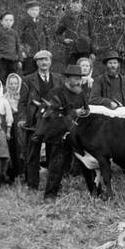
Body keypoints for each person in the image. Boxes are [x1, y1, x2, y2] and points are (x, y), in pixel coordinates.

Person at [42, 64, 93, 201]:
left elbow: (87, 110)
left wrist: (85, 113)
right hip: (59, 135)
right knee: (56, 165)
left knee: (86, 163)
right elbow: (51, 116)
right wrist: (72, 113)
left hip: (77, 136)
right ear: (67, 79)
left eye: (80, 78)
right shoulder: (55, 93)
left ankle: (94, 191)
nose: (78, 82)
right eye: (75, 78)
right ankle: (50, 194)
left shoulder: (80, 93)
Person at [18, 51, 58, 188]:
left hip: (53, 122)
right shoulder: (28, 80)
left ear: (50, 61)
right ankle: (32, 184)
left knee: (53, 154)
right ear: (36, 63)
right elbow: (22, 102)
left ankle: (53, 184)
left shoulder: (58, 79)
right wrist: (23, 118)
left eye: (46, 60)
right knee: (32, 154)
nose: (43, 63)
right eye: (40, 60)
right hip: (34, 122)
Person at [54, 0, 94, 65]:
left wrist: (93, 52)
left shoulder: (88, 18)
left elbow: (92, 35)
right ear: (70, 5)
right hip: (71, 51)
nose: (75, 5)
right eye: (73, 3)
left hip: (85, 51)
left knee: (84, 72)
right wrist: (63, 40)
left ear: (81, 5)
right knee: (71, 72)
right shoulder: (65, 18)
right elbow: (57, 34)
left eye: (78, 3)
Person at [18, 0, 52, 75]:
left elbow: (47, 37)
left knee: (41, 74)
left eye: (36, 10)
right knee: (28, 74)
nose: (34, 12)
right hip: (29, 54)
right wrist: (22, 51)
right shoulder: (23, 22)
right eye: (32, 10)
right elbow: (18, 38)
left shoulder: (42, 22)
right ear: (28, 11)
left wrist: (47, 50)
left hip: (41, 53)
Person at [4, 71, 24, 183]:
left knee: (20, 147)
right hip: (9, 124)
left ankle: (21, 173)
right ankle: (11, 174)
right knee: (11, 147)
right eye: (11, 84)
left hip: (19, 123)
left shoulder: (22, 96)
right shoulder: (4, 97)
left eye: (15, 83)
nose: (13, 86)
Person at [0, 11, 20, 80]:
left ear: (13, 22)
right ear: (1, 22)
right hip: (2, 58)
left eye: (11, 20)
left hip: (13, 59)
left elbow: (18, 46)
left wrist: (20, 60)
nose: (8, 22)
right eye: (6, 20)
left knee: (12, 77)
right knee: (0, 76)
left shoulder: (15, 33)